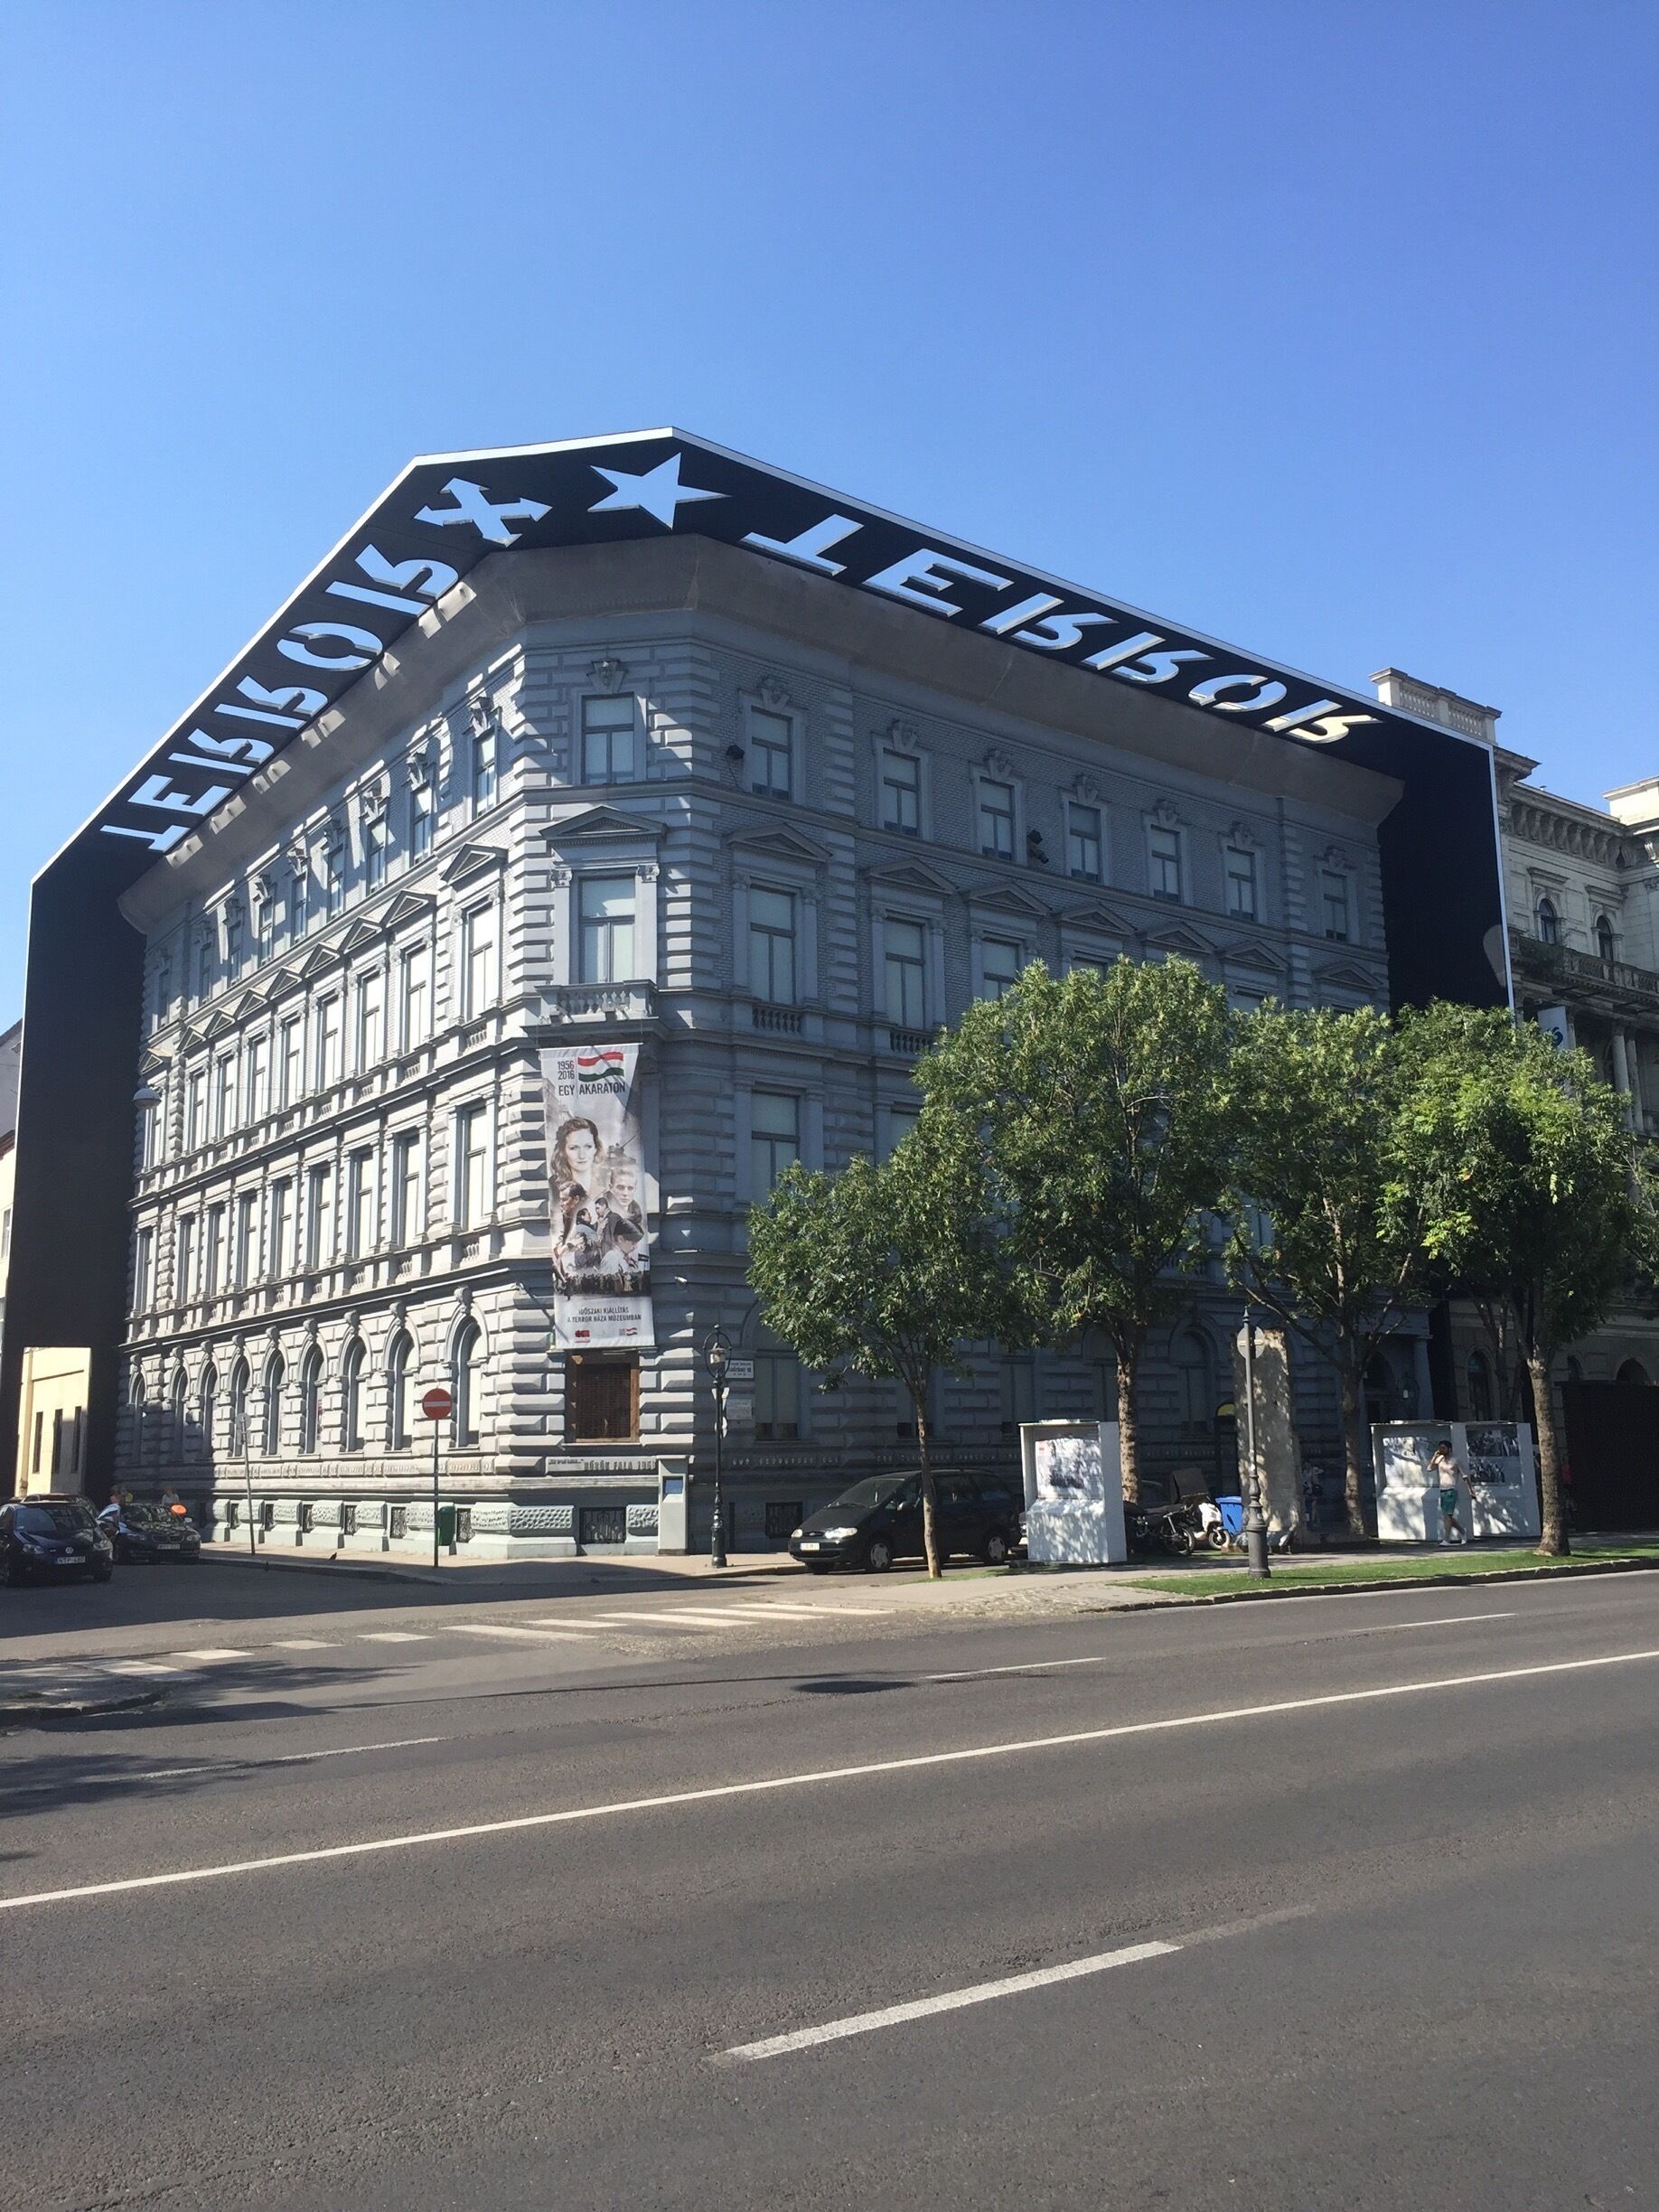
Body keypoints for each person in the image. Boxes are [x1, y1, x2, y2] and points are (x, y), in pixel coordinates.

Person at [551, 1116, 602, 1200]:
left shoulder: (606, 1185)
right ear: (563, 1151)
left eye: (588, 1147)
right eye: (574, 1148)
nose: (582, 1155)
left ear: (595, 1149)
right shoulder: (553, 1190)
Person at [1429, 1442, 1467, 1543]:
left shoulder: (1455, 1461)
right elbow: (1429, 1469)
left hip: (1451, 1489)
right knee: (1446, 1516)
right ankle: (1462, 1531)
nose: (1441, 1450)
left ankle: (1446, 1539)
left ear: (1449, 1449)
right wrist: (1434, 1457)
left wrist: (1471, 1490)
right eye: (1440, 1448)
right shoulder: (1440, 1460)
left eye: (1443, 1448)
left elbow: (1464, 1475)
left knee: (1447, 1516)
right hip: (1442, 1490)